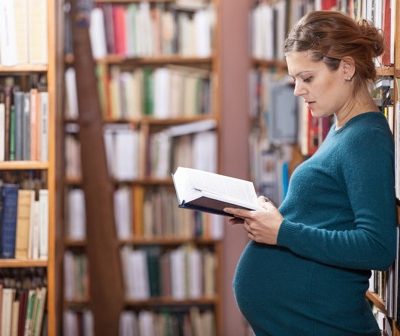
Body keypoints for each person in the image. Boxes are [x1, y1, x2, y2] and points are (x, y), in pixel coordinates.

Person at [224, 10, 397, 336]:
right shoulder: (341, 127)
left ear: (346, 68)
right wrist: (269, 217)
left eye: (307, 78)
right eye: (294, 80)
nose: (297, 91)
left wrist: (283, 232)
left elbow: (377, 246)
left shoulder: (367, 139)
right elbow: (329, 216)